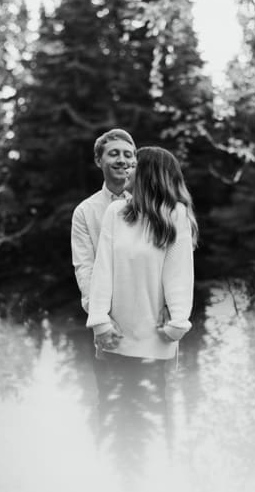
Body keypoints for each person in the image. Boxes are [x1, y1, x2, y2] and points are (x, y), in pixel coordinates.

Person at [85, 146, 198, 471]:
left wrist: (178, 323)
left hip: (155, 343)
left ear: (149, 174)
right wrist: (99, 321)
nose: (127, 170)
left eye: (134, 166)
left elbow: (179, 272)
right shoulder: (116, 213)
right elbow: (102, 269)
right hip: (115, 338)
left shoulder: (175, 214)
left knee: (154, 425)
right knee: (112, 423)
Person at [70, 129, 137, 416]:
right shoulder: (85, 212)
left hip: (154, 324)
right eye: (114, 154)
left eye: (128, 154)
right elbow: (85, 268)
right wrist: (101, 319)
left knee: (159, 410)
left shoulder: (153, 204)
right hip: (111, 326)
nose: (122, 160)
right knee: (112, 410)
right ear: (99, 160)